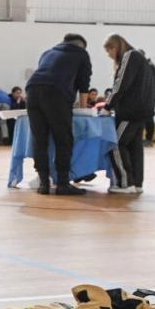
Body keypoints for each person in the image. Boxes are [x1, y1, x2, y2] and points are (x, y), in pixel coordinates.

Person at [25, 33, 93, 196]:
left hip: (32, 90)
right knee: (63, 138)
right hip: (56, 93)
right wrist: (83, 109)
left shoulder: (47, 53)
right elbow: (84, 84)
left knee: (39, 138)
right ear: (81, 45)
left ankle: (43, 183)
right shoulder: (81, 53)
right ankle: (62, 183)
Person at [104, 35, 155, 194]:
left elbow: (120, 84)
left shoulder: (129, 55)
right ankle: (137, 184)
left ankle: (126, 183)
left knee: (114, 144)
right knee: (135, 148)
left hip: (130, 112)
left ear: (114, 47)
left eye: (109, 52)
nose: (110, 56)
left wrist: (108, 106)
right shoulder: (142, 60)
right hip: (142, 112)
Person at [144, 62, 155, 147]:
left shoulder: (149, 66)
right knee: (146, 117)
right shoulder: (149, 65)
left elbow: (148, 83)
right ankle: (147, 139)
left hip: (150, 96)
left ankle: (149, 139)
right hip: (150, 96)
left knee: (148, 117)